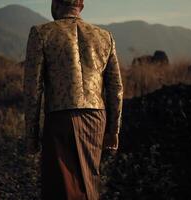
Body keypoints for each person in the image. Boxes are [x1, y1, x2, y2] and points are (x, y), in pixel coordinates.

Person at [23, 0, 123, 199]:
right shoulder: (105, 37)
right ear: (81, 7)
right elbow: (116, 88)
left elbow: (32, 90)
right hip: (96, 119)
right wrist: (113, 130)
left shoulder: (41, 33)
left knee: (60, 187)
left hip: (61, 118)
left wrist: (31, 136)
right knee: (88, 182)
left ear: (56, 4)